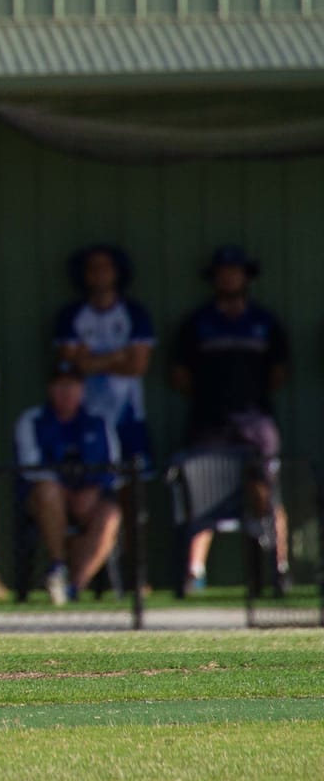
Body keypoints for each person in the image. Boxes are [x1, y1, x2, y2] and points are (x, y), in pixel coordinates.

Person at [169, 245, 290, 594]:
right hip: (208, 419)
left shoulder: (264, 322)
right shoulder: (198, 322)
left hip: (255, 420)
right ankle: (194, 572)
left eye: (235, 271)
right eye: (223, 272)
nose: (229, 277)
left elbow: (279, 373)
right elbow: (179, 375)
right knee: (201, 492)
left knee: (267, 487)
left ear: (246, 277)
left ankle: (278, 568)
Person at [15, 360, 123, 604]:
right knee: (47, 491)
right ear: (50, 389)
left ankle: (73, 587)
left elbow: (113, 467)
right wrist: (66, 492)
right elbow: (30, 468)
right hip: (47, 502)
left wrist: (92, 491)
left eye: (72, 385)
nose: (66, 392)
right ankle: (58, 566)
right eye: (60, 385)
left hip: (90, 500)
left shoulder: (99, 422)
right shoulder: (32, 421)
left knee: (110, 515)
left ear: (82, 389)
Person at [52, 244, 155, 465]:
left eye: (106, 267)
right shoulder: (72, 316)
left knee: (134, 477)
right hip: (86, 414)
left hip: (129, 412)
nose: (99, 273)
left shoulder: (134, 314)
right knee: (93, 478)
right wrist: (118, 355)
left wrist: (92, 359)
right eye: (93, 268)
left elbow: (137, 366)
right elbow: (73, 366)